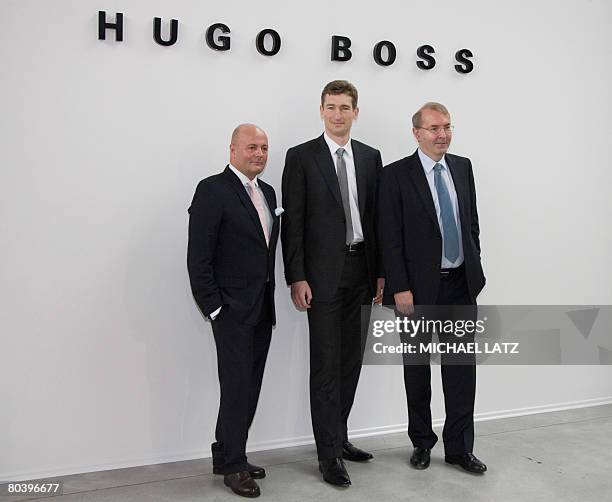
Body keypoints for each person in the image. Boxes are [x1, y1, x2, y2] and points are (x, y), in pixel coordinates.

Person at [281, 80, 384, 486]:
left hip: (362, 271)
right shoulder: (301, 157)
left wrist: (381, 274)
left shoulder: (371, 157)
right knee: (325, 365)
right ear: (321, 111)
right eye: (330, 107)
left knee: (351, 363)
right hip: (322, 278)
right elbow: (294, 223)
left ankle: (339, 438)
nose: (337, 114)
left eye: (344, 107)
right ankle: (327, 456)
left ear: (356, 111)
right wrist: (296, 276)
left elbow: (377, 222)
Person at [377, 103, 488, 474]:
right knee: (417, 370)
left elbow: (470, 222)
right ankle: (422, 443)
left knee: (461, 370)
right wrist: (399, 288)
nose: (442, 134)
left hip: (460, 285)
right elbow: (389, 238)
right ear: (417, 133)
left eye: (447, 127)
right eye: (434, 128)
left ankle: (459, 448)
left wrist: (473, 264)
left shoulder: (463, 167)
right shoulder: (395, 175)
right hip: (416, 291)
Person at [187, 124, 280, 497]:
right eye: (251, 147)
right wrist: (214, 309)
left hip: (261, 308)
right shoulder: (212, 190)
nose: (258, 154)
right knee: (237, 387)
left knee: (249, 386)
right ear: (232, 149)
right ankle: (233, 465)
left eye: (264, 148)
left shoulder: (269, 192)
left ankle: (228, 452)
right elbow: (199, 257)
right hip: (231, 311)